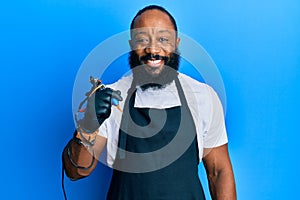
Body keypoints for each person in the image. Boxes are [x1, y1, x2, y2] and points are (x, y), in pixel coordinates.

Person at [63, 5, 236, 200]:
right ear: (131, 45)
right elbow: (76, 172)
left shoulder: (203, 96)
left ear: (176, 44)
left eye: (163, 39)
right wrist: (89, 124)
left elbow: (218, 172)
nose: (153, 49)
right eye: (142, 40)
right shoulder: (111, 97)